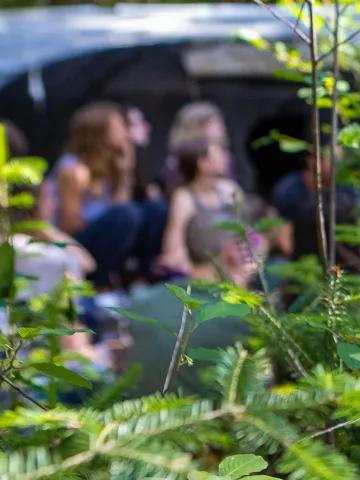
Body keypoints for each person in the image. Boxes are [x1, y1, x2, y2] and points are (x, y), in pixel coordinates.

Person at [123, 211, 255, 398]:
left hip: (136, 421)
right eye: (251, 245)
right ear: (232, 251)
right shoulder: (246, 320)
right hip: (214, 424)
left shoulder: (142, 301)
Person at [40, 102, 167, 293]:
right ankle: (100, 283)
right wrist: (107, 223)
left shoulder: (109, 165)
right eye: (119, 127)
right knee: (126, 216)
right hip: (74, 242)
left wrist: (125, 173)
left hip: (104, 238)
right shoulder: (73, 170)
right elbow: (69, 226)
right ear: (99, 133)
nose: (126, 133)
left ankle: (141, 278)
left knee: (154, 210)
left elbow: (120, 209)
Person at [271, 132, 359, 263]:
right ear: (311, 160)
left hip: (344, 265)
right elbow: (285, 243)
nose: (336, 163)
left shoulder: (348, 189)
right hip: (302, 264)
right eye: (329, 157)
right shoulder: (290, 189)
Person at [159, 138, 241, 274]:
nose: (225, 158)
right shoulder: (184, 197)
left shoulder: (230, 190)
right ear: (202, 163)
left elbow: (248, 231)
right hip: (204, 271)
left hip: (238, 265)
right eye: (218, 154)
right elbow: (173, 247)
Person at [162, 102, 234, 192]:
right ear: (194, 127)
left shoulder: (225, 158)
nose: (220, 127)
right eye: (212, 122)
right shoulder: (175, 161)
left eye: (220, 123)